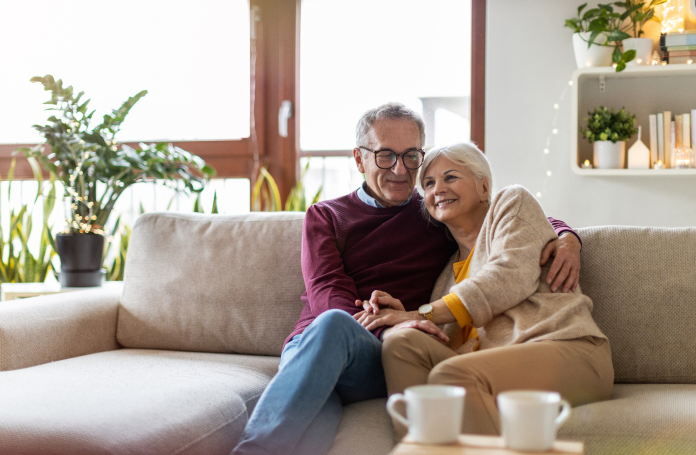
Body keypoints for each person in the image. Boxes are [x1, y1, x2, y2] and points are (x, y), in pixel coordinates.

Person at [232, 104, 583, 455]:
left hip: (388, 357)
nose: (400, 170)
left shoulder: (435, 210)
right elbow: (326, 292)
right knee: (332, 336)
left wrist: (567, 237)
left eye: (411, 155)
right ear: (359, 159)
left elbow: (506, 216)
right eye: (385, 155)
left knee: (329, 369)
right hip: (323, 342)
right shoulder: (326, 216)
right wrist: (392, 327)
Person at [355, 142, 613, 438]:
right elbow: (456, 342)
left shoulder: (511, 204)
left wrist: (424, 313)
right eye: (428, 183)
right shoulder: (445, 280)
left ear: (483, 187)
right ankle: (421, 444)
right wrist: (411, 321)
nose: (437, 188)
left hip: (570, 349)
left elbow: (506, 277)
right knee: (402, 343)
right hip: (497, 367)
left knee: (453, 376)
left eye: (450, 177)